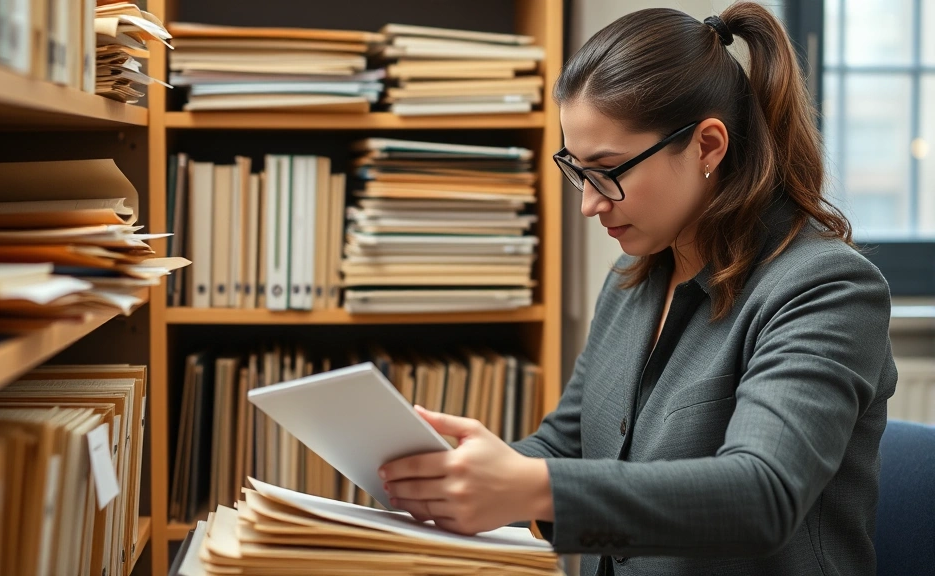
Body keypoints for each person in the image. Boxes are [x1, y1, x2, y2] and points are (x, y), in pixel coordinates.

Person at [377, 2, 898, 575]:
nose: (589, 202)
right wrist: (450, 478)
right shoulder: (634, 279)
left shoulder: (825, 288)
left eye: (609, 170)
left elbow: (762, 496)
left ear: (707, 146)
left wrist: (533, 486)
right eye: (576, 169)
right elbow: (565, 447)